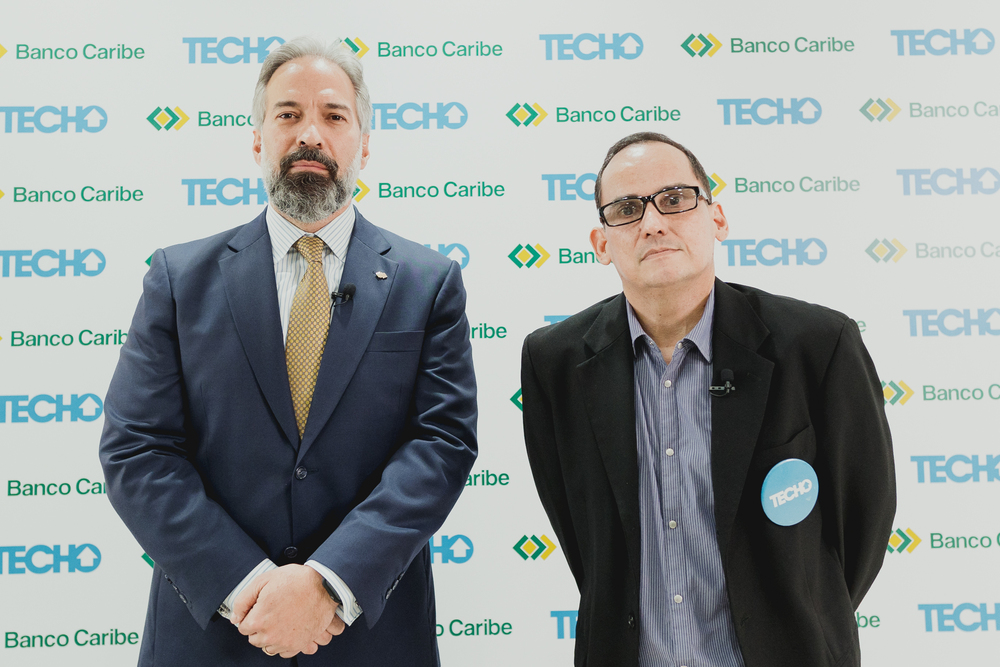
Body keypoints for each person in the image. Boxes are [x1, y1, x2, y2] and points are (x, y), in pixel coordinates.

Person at [99, 36, 477, 666]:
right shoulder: (178, 280)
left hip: (369, 637)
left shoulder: (428, 283)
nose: (310, 134)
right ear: (257, 140)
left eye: (334, 116)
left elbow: (441, 444)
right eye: (288, 114)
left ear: (364, 144)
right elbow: (137, 449)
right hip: (214, 636)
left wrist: (329, 583)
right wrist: (250, 587)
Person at [520, 132, 895, 667]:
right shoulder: (554, 361)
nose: (653, 223)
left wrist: (790, 622)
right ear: (601, 244)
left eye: (674, 199)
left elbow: (863, 520)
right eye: (626, 210)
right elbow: (580, 532)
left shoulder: (817, 345)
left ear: (717, 218)